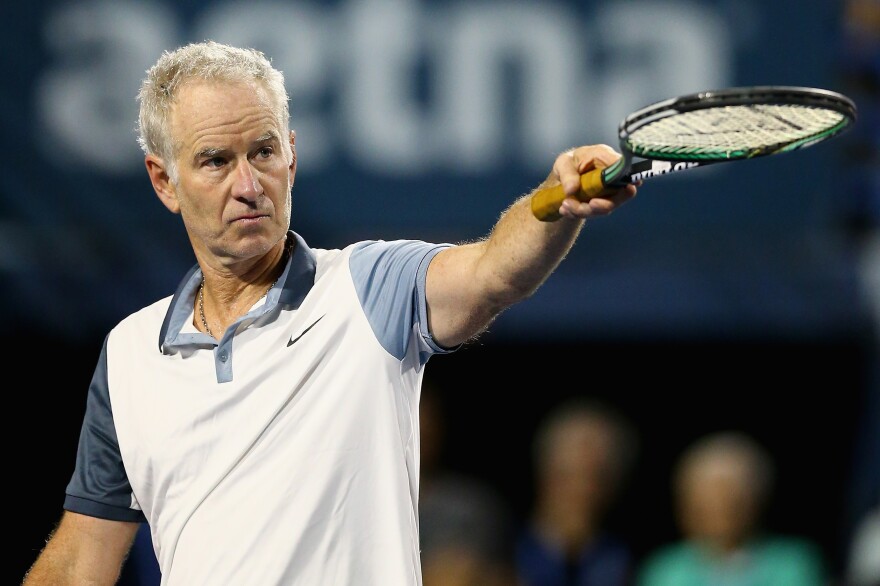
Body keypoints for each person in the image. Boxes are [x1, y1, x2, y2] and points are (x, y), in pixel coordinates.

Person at [20, 40, 637, 586]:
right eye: (215, 161)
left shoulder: (369, 288)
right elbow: (81, 562)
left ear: (291, 154)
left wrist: (554, 207)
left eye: (263, 151)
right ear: (164, 181)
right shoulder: (129, 352)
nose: (249, 184)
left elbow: (494, 271)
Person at [636, 431, 828, 586]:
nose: (721, 505)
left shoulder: (795, 563)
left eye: (732, 494)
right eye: (708, 495)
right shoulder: (667, 569)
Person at [515, 397, 639, 586]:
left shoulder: (624, 564)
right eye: (566, 476)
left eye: (596, 479)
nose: (580, 491)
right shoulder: (505, 552)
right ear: (543, 474)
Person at [418, 377, 518, 586]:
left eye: (425, 426)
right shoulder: (355, 503)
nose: (417, 434)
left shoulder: (472, 506)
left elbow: (501, 576)